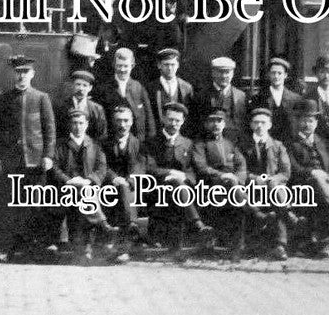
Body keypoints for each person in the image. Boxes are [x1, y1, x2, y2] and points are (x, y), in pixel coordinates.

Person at [0, 55, 56, 261]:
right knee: (11, 206)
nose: (21, 76)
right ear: (13, 74)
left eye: (25, 72)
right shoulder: (4, 99)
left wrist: (48, 155)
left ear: (32, 74)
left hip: (35, 161)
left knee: (35, 206)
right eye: (18, 72)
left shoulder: (41, 98)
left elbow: (49, 130)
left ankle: (34, 249)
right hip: (12, 161)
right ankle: (7, 249)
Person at [141, 102, 214, 257]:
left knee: (178, 188)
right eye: (170, 119)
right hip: (156, 188)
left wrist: (185, 178)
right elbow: (148, 167)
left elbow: (193, 171)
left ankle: (177, 248)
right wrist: (170, 172)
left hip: (183, 190)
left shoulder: (188, 143)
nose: (173, 123)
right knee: (176, 185)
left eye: (178, 120)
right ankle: (197, 224)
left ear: (183, 122)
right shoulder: (151, 142)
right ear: (163, 119)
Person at [50, 108, 118, 263]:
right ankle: (102, 224)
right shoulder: (60, 145)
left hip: (89, 189)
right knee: (85, 195)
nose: (77, 126)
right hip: (65, 190)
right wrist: (68, 180)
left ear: (86, 124)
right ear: (69, 125)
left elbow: (102, 167)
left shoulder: (94, 145)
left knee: (85, 194)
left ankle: (85, 249)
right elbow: (54, 167)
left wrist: (90, 180)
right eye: (74, 123)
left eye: (81, 123)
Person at [285, 98, 329, 259]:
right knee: (319, 186)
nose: (307, 125)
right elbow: (293, 167)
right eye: (304, 121)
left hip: (327, 184)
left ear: (316, 123)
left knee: (322, 190)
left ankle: (326, 244)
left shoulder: (324, 142)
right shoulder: (291, 144)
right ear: (298, 122)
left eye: (311, 121)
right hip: (302, 185)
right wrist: (312, 172)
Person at [191, 107, 248, 261]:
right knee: (235, 196)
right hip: (210, 185)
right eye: (212, 121)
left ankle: (236, 248)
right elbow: (202, 167)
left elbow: (241, 165)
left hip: (232, 184)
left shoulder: (230, 143)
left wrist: (237, 178)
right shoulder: (200, 144)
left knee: (235, 196)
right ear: (206, 124)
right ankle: (255, 211)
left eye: (219, 121)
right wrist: (224, 176)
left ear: (224, 124)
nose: (216, 124)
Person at [240, 107, 293, 261]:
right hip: (252, 187)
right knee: (277, 199)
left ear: (269, 125)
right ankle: (288, 213)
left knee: (275, 191)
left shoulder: (278, 145)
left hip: (274, 187)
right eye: (256, 122)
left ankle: (280, 246)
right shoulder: (243, 145)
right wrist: (255, 179)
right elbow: (241, 171)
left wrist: (272, 180)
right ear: (251, 125)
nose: (259, 126)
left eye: (263, 123)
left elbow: (285, 172)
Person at [102, 104, 146, 259]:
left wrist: (128, 180)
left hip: (132, 186)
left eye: (126, 121)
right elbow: (102, 165)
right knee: (122, 191)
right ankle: (132, 226)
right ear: (113, 122)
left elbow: (141, 165)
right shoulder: (105, 142)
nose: (122, 125)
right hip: (109, 186)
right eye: (119, 121)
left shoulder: (139, 143)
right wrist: (114, 177)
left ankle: (124, 245)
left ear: (132, 122)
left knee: (125, 190)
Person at [95, 47, 155, 142]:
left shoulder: (138, 87)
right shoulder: (105, 88)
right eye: (119, 65)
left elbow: (148, 114)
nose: (122, 70)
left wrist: (150, 136)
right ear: (114, 65)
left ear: (132, 65)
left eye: (126, 66)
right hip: (112, 141)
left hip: (136, 140)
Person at [193, 56, 248, 144]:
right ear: (213, 73)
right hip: (209, 144)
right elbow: (197, 125)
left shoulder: (241, 96)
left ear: (233, 73)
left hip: (234, 144)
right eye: (220, 72)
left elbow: (242, 124)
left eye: (227, 72)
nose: (224, 76)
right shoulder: (202, 95)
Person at [249, 57, 301, 145]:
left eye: (279, 73)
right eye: (273, 73)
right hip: (267, 143)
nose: (276, 76)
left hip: (289, 143)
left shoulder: (295, 99)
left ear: (285, 75)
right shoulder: (259, 97)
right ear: (269, 74)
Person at [146, 48, 194, 134]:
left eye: (173, 64)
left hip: (180, 136)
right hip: (158, 135)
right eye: (166, 65)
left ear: (178, 65)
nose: (170, 68)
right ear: (159, 65)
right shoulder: (151, 88)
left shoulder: (186, 88)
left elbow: (190, 115)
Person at [56, 70, 107, 144]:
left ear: (90, 88)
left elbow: (101, 135)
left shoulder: (97, 109)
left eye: (85, 85)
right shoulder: (61, 107)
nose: (81, 88)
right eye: (78, 84)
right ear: (72, 85)